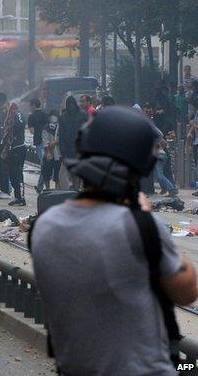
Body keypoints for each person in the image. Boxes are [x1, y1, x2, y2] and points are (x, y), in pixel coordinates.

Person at [31, 106, 198, 375]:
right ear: (138, 166)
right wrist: (146, 218)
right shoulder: (136, 226)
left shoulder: (45, 226)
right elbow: (187, 290)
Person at [58, 96, 88, 190]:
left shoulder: (83, 115)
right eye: (69, 104)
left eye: (72, 104)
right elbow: (61, 135)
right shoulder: (63, 117)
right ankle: (75, 190)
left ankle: (76, 189)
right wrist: (63, 151)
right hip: (68, 149)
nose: (70, 106)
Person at [1, 103, 26, 206]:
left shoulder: (16, 115)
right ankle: (18, 196)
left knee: (17, 173)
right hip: (14, 148)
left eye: (6, 108)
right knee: (14, 173)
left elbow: (18, 126)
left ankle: (20, 198)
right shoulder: (13, 116)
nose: (4, 110)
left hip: (17, 148)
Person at [26, 98, 49, 193]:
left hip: (39, 142)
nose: (29, 107)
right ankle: (40, 186)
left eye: (30, 105)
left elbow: (32, 131)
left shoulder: (31, 117)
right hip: (47, 142)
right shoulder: (46, 115)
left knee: (44, 165)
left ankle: (40, 186)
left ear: (33, 105)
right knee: (46, 164)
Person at [41, 111, 61, 190]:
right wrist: (48, 153)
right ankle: (47, 189)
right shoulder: (46, 128)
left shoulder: (61, 127)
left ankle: (57, 190)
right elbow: (45, 142)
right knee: (46, 172)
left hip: (59, 154)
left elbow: (62, 138)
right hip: (49, 154)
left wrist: (55, 142)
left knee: (58, 174)